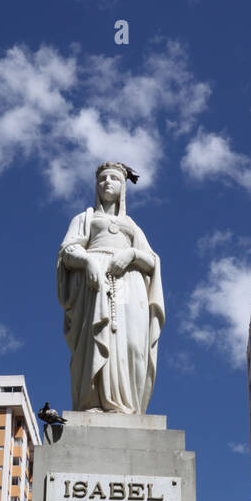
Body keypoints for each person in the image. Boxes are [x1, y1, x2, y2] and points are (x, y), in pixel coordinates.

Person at [56, 162, 164, 414]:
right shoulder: (85, 218)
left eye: (114, 178)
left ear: (122, 187)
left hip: (131, 284)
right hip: (95, 285)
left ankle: (127, 404)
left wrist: (132, 254)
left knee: (133, 344)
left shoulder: (132, 226)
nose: (107, 182)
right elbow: (68, 251)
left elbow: (151, 260)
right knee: (95, 341)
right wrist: (88, 260)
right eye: (102, 178)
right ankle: (93, 402)